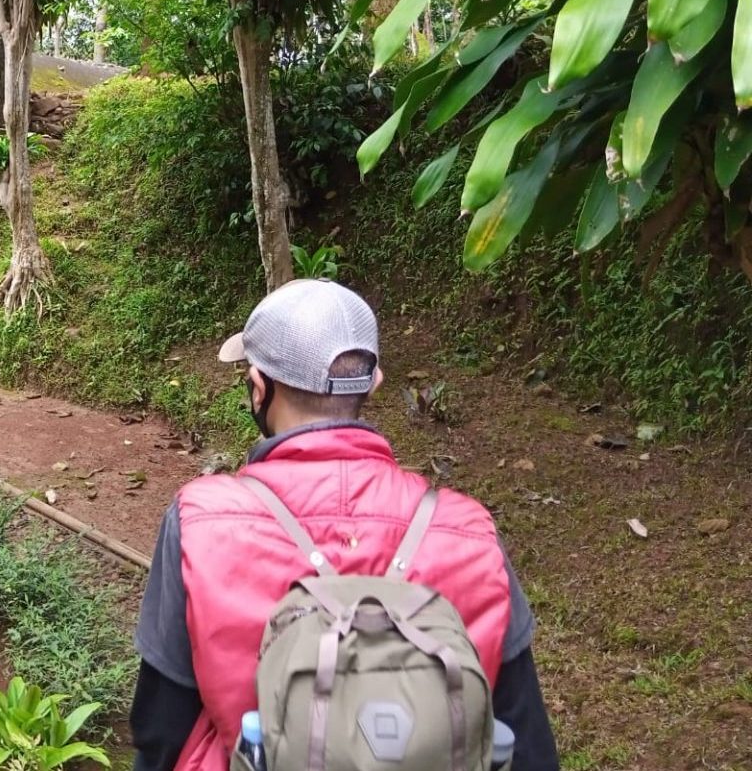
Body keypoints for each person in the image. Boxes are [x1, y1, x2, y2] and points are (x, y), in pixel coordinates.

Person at [131, 279, 560, 771]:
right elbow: (525, 739)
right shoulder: (467, 529)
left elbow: (160, 729)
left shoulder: (201, 519)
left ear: (258, 388)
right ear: (373, 384)